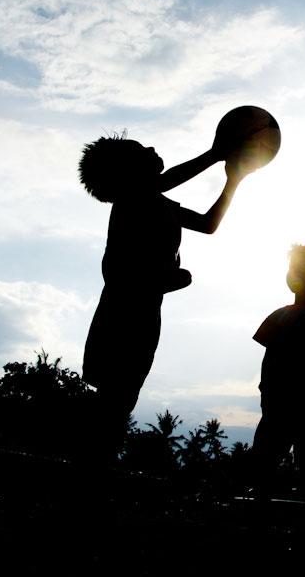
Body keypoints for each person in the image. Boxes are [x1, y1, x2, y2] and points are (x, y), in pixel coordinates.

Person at [78, 134, 245, 459]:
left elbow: (208, 224)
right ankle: (91, 475)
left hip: (143, 319)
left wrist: (233, 182)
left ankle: (95, 472)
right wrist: (213, 154)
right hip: (119, 320)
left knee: (120, 405)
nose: (153, 149)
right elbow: (125, 278)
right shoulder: (132, 200)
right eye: (142, 151)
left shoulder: (155, 202)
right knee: (112, 406)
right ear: (129, 174)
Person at [251, 242, 305, 497]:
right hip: (277, 403)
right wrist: (266, 389)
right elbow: (270, 359)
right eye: (294, 268)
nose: (297, 274)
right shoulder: (280, 316)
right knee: (266, 457)